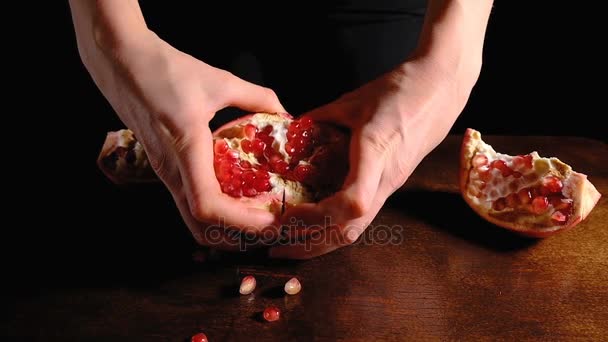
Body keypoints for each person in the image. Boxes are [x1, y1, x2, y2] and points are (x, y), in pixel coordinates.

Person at [68, 1, 494, 259]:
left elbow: (448, 61)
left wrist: (446, 64)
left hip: (380, 28)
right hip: (170, 28)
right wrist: (115, 36)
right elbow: (112, 35)